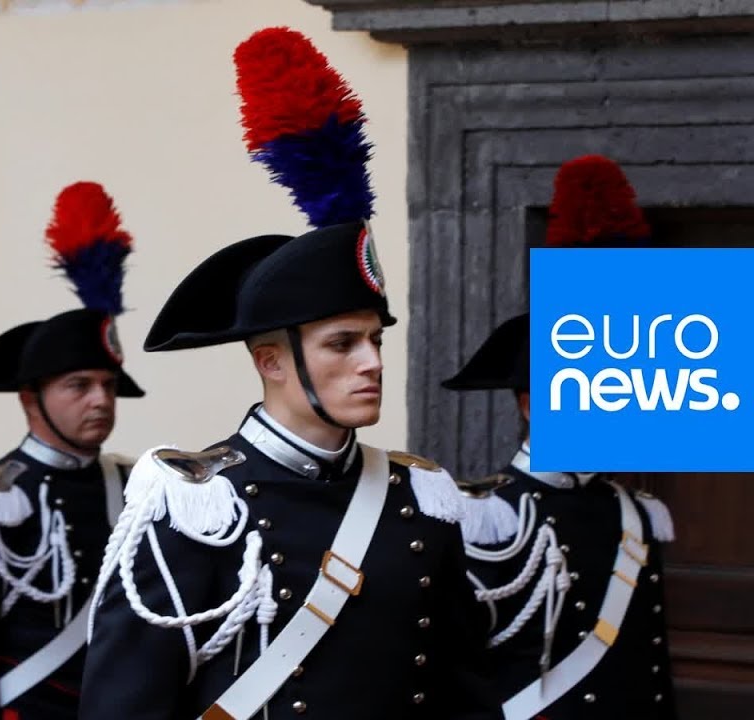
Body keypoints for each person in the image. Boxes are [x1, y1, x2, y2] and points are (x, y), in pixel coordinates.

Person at [78, 27, 501, 720]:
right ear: (271, 360)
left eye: (374, 339)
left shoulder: (418, 497)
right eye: (342, 344)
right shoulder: (198, 506)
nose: (371, 362)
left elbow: (465, 693)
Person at [444, 154, 678, 720]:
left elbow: (650, 673)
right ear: (530, 403)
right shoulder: (487, 516)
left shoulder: (638, 516)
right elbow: (455, 677)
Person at [0, 181, 146, 719]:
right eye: (79, 386)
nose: (100, 400)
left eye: (108, 385)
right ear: (31, 400)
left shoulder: (139, 487)